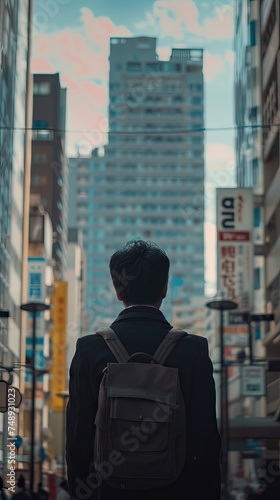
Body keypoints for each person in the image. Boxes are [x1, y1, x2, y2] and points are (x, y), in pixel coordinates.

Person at [66, 240, 221, 500]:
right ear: (164, 288)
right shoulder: (193, 350)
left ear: (118, 291)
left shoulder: (90, 350)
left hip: (107, 492)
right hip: (177, 491)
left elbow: (77, 438)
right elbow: (206, 440)